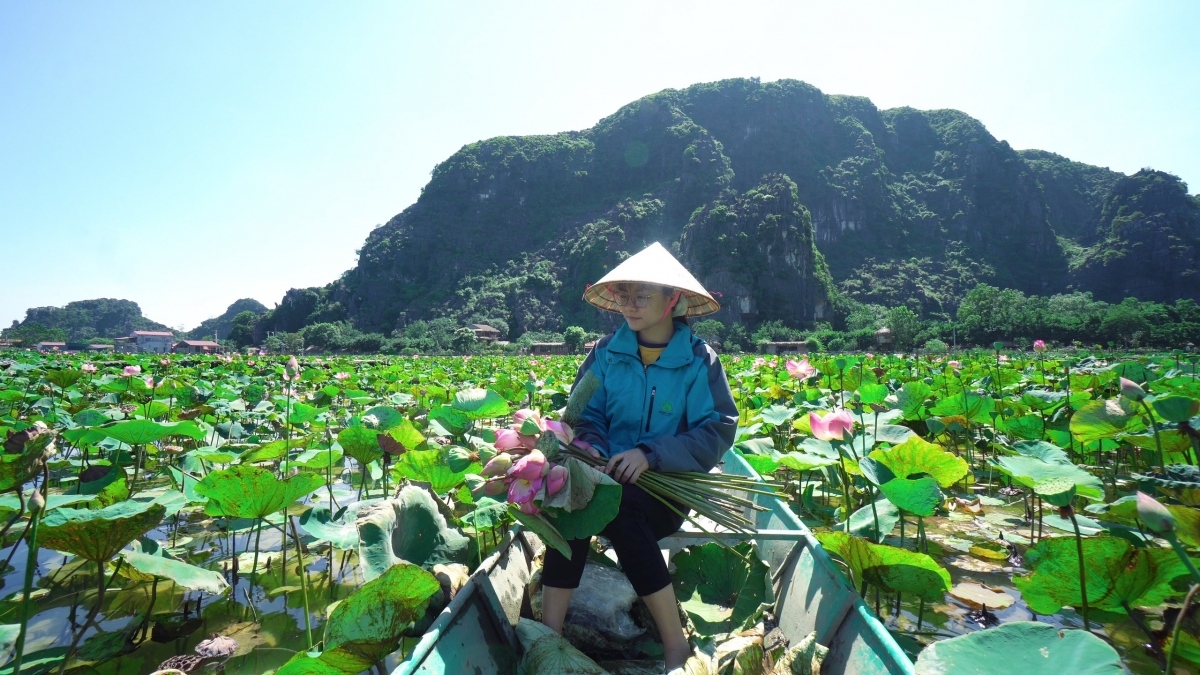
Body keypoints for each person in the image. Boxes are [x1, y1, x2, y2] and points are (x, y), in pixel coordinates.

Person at [539, 242, 738, 671]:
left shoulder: (700, 363)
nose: (629, 305)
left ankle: (674, 646)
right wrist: (590, 452)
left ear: (673, 301)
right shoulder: (604, 353)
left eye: (642, 296)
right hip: (602, 472)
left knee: (623, 510)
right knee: (569, 502)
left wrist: (651, 453)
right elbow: (585, 416)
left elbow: (717, 429)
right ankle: (547, 637)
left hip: (665, 490)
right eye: (625, 295)